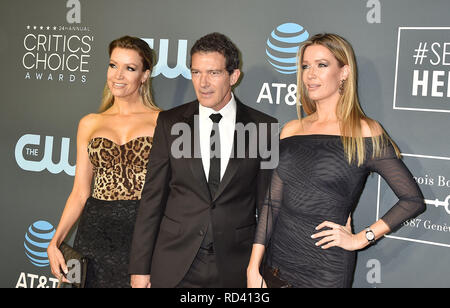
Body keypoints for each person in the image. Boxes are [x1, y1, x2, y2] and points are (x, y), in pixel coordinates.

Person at [247, 33, 426, 288]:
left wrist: (361, 239)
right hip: (276, 266)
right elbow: (271, 203)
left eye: (321, 65)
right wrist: (254, 267)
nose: (310, 74)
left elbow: (412, 200)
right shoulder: (291, 130)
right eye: (305, 66)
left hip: (326, 272)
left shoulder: (364, 132)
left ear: (344, 72)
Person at [129, 32, 278, 288]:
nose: (203, 83)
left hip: (236, 267)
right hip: (174, 263)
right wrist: (140, 269)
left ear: (233, 76)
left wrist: (262, 267)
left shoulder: (265, 128)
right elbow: (152, 198)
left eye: (214, 73)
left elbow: (268, 206)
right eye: (196, 72)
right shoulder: (170, 122)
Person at [47, 36, 160, 288]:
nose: (118, 75)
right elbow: (79, 192)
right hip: (94, 234)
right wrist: (55, 242)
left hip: (142, 235)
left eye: (129, 68)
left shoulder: (163, 122)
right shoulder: (89, 123)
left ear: (144, 75)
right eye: (113, 65)